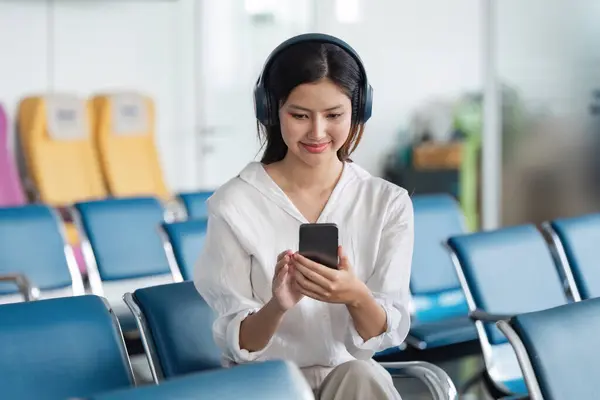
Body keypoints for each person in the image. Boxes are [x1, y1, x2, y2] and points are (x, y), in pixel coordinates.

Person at [194, 33, 413, 400]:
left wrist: (355, 296)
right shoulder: (235, 203)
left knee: (359, 374)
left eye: (334, 115)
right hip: (269, 386)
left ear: (359, 110)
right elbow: (239, 342)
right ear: (271, 111)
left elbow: (385, 332)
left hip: (353, 384)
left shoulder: (387, 203)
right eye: (299, 115)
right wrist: (277, 305)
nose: (317, 132)